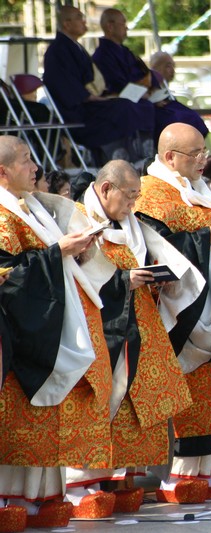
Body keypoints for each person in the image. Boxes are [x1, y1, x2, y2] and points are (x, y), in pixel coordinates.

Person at [134, 123, 211, 503]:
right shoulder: (151, 194)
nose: (203, 159)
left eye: (204, 151)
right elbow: (156, 248)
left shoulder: (201, 191)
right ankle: (184, 472)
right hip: (183, 308)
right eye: (195, 153)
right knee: (196, 389)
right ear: (170, 157)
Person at [0, 136, 114, 527]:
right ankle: (13, 500)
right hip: (25, 335)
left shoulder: (32, 207)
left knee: (54, 422)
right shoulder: (1, 214)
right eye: (27, 161)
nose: (35, 168)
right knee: (25, 422)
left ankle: (46, 497)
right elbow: (6, 275)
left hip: (56, 325)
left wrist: (77, 250)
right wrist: (57, 253)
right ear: (3, 171)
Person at [75, 160, 196, 513]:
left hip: (142, 323)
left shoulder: (134, 225)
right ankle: (83, 485)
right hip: (101, 330)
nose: (133, 204)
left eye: (137, 196)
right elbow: (75, 276)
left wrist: (162, 279)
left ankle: (125, 479)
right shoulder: (78, 222)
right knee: (101, 402)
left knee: (138, 402)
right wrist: (124, 282)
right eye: (129, 196)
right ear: (107, 188)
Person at [42, 6, 154, 165]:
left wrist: (104, 96)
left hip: (89, 105)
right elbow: (60, 83)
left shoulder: (76, 47)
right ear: (66, 24)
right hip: (77, 111)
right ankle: (120, 158)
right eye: (79, 18)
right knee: (123, 107)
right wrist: (89, 97)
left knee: (142, 105)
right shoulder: (57, 51)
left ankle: (142, 154)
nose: (84, 22)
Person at [92, 8, 209, 143]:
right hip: (133, 104)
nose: (127, 27)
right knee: (177, 120)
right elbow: (117, 85)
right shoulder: (103, 56)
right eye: (123, 23)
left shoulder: (124, 52)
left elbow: (142, 74)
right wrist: (146, 96)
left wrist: (153, 90)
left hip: (148, 98)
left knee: (190, 116)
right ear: (110, 26)